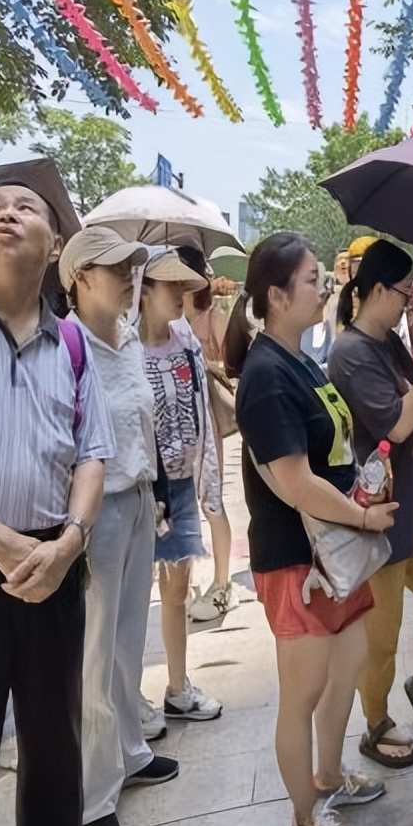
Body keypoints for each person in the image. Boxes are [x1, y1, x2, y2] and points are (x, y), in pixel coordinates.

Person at [226, 232, 397, 826]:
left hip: (337, 550)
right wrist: (361, 514)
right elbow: (296, 482)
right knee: (301, 694)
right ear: (275, 295)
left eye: (324, 276)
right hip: (297, 557)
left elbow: (331, 454)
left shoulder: (299, 359)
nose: (325, 285)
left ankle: (329, 776)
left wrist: (364, 492)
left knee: (346, 666)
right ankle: (303, 821)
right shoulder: (268, 374)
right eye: (311, 278)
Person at [0, 163, 115, 826]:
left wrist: (68, 543)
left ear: (55, 239)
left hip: (54, 566)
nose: (6, 213)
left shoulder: (70, 343)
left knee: (53, 748)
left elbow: (92, 452)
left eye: (25, 207)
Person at [62, 228, 181, 826]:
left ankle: (131, 752)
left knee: (129, 644)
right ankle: (93, 796)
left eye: (133, 266)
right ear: (80, 278)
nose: (129, 276)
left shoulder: (130, 339)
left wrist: (156, 490)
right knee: (95, 657)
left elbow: (142, 424)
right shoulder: (67, 344)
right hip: (97, 514)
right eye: (113, 269)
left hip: (136, 503)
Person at [327, 241, 413, 762]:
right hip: (376, 518)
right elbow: (398, 421)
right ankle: (375, 722)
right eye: (403, 293)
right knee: (379, 636)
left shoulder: (389, 342)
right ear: (377, 290)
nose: (408, 303)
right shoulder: (351, 352)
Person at [137, 248, 226, 722]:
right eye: (170, 285)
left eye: (183, 284)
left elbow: (201, 412)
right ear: (142, 289)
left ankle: (177, 685)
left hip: (180, 485)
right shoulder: (121, 347)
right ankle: (129, 696)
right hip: (137, 489)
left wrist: (206, 476)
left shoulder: (186, 339)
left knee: (177, 590)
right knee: (133, 596)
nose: (181, 294)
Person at [178, 245, 239, 625]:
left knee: (210, 501)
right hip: (172, 421)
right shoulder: (158, 315)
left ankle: (222, 582)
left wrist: (204, 361)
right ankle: (182, 585)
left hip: (203, 420)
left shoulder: (210, 313)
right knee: (179, 504)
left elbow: (232, 365)